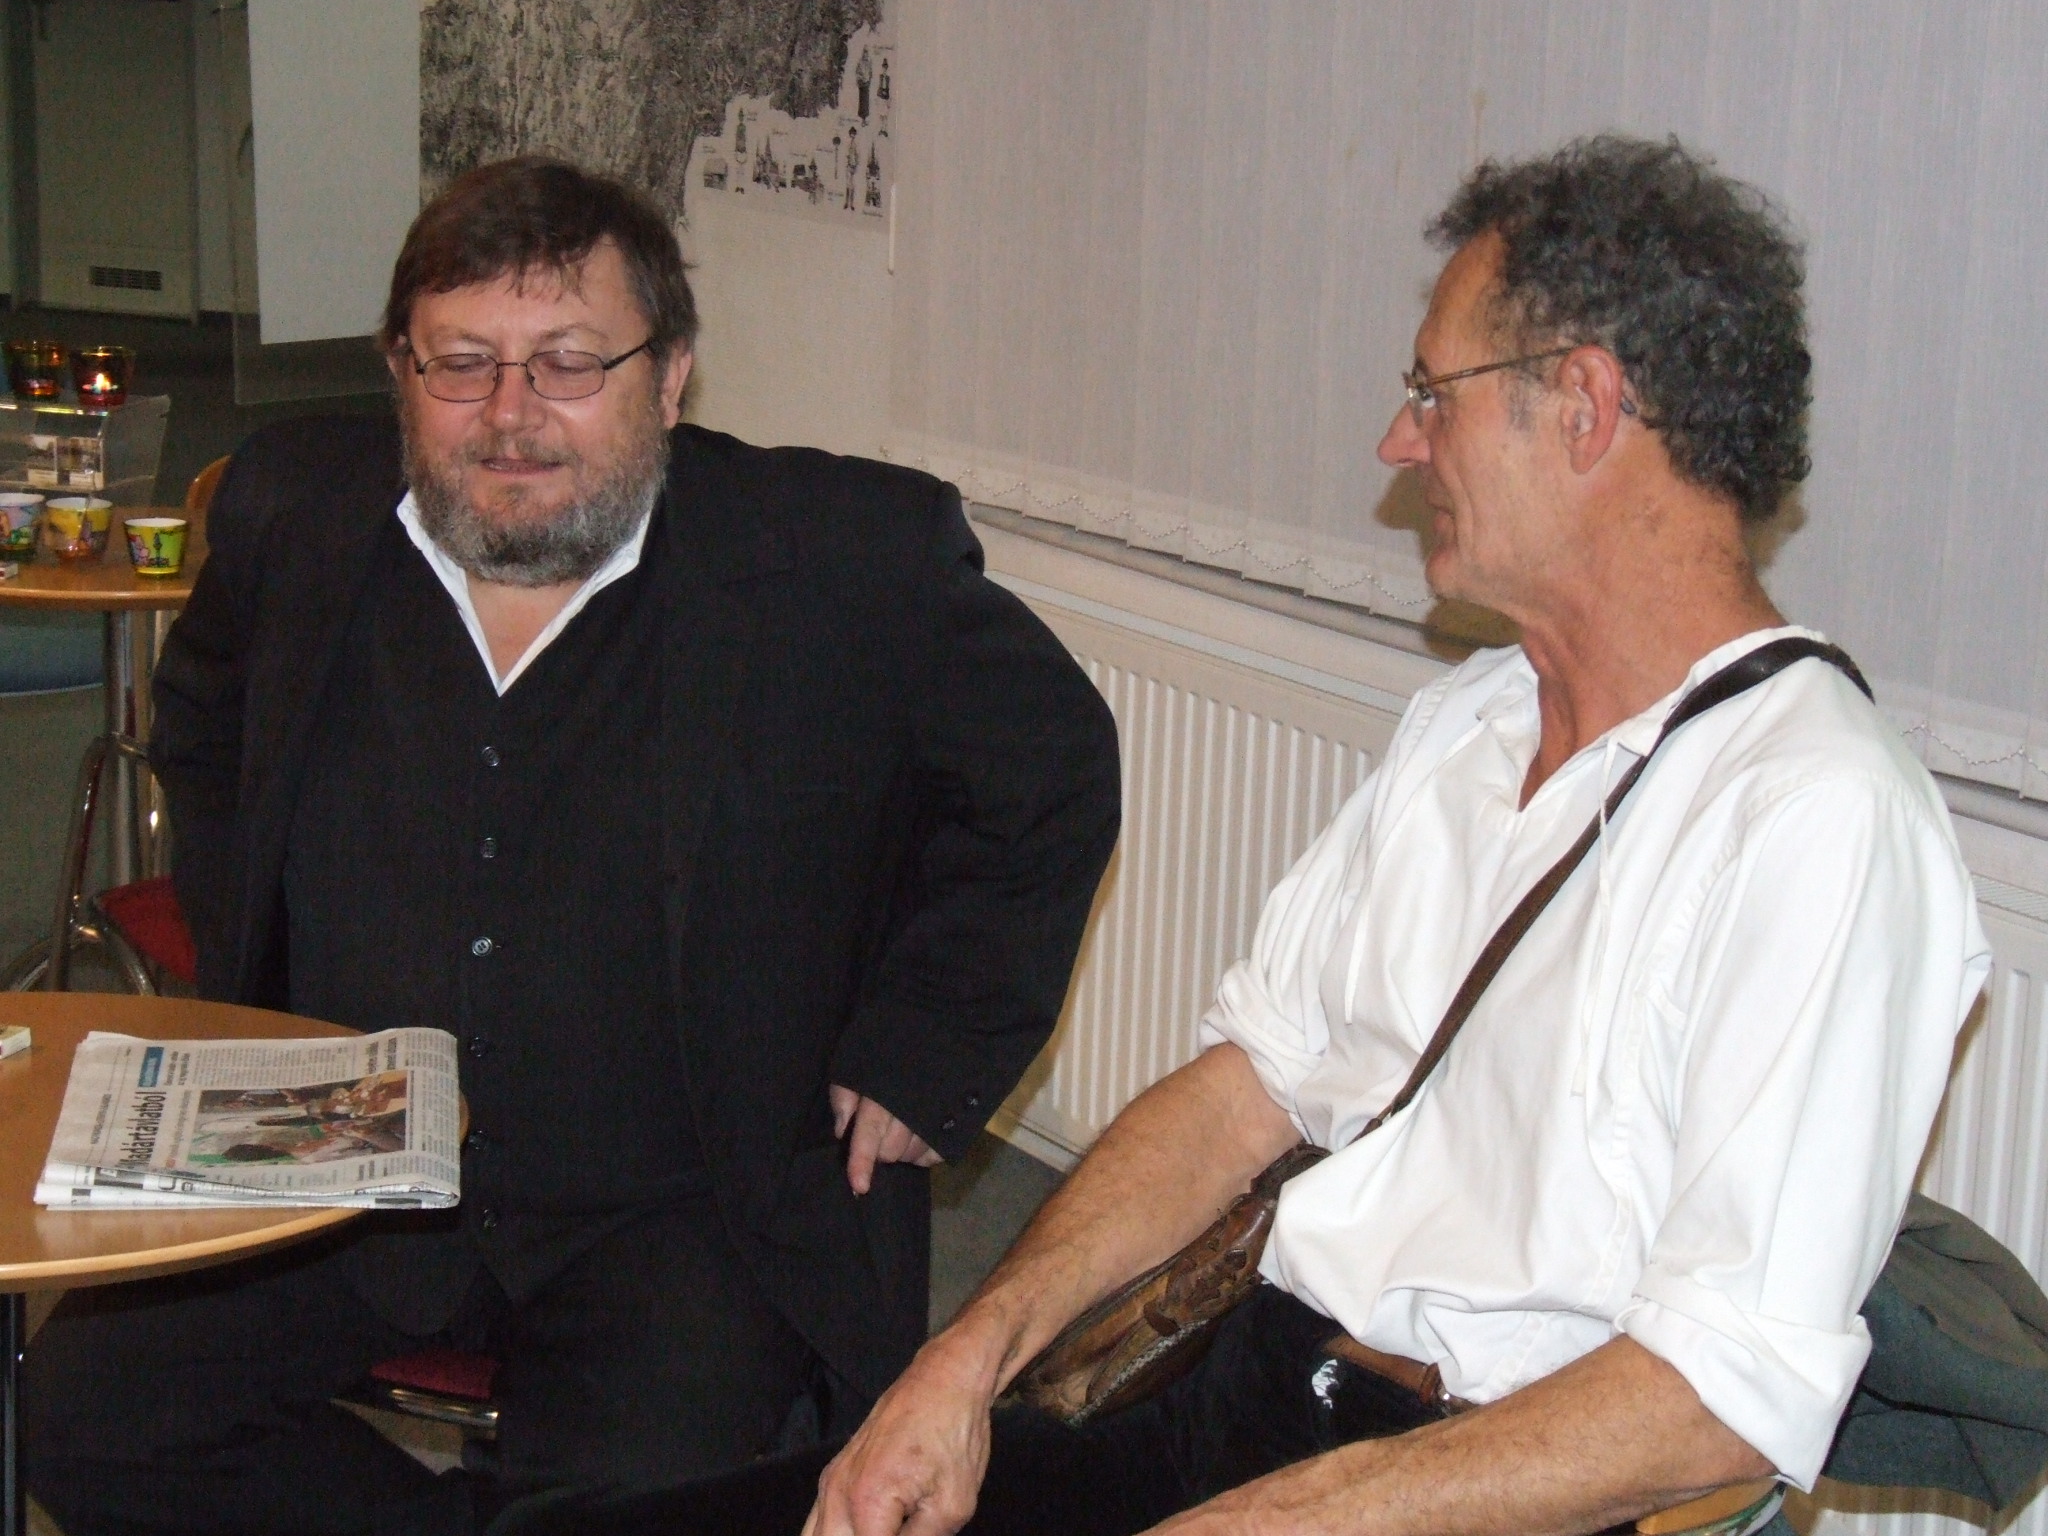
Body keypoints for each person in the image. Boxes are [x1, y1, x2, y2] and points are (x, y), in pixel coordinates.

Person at [527, 135, 1995, 1536]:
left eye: (1434, 393)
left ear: (1586, 407)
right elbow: (1248, 1092)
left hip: (1474, 1490)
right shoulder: (1473, 724)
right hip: (1244, 1394)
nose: (1399, 442)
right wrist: (962, 1364)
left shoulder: (1817, 814)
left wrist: (1266, 1520)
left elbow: (1719, 1398)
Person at [23, 156, 1120, 1534]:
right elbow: (203, 718)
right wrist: (267, 960)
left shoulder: (837, 556)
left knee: (649, 1498)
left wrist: (930, 1039)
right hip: (346, 1164)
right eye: (461, 363)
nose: (510, 414)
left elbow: (1050, 770)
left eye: (569, 363)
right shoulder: (297, 512)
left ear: (672, 378)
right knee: (81, 1418)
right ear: (399, 370)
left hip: (684, 1197)